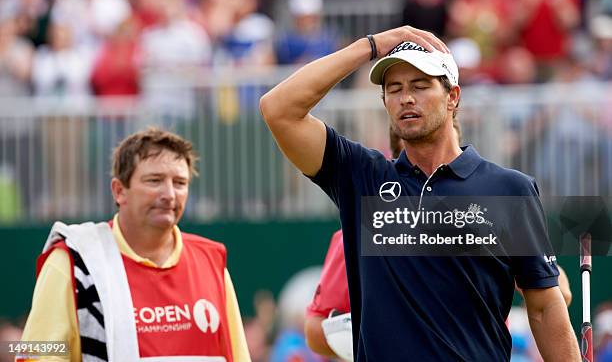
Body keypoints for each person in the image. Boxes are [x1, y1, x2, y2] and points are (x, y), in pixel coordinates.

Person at [260, 26, 580, 360]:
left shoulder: (510, 190)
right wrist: (371, 46)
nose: (406, 98)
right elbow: (278, 108)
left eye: (420, 85)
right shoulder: (362, 177)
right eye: (394, 88)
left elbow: (544, 307)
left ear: (453, 97)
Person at [304, 126, 573, 361]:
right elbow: (315, 330)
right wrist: (368, 332)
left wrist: (546, 282)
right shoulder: (361, 228)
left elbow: (551, 295)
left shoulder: (492, 205)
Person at [20, 128, 251, 361]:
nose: (169, 194)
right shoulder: (73, 260)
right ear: (119, 191)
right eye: (154, 180)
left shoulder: (210, 262)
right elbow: (36, 353)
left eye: (180, 182)